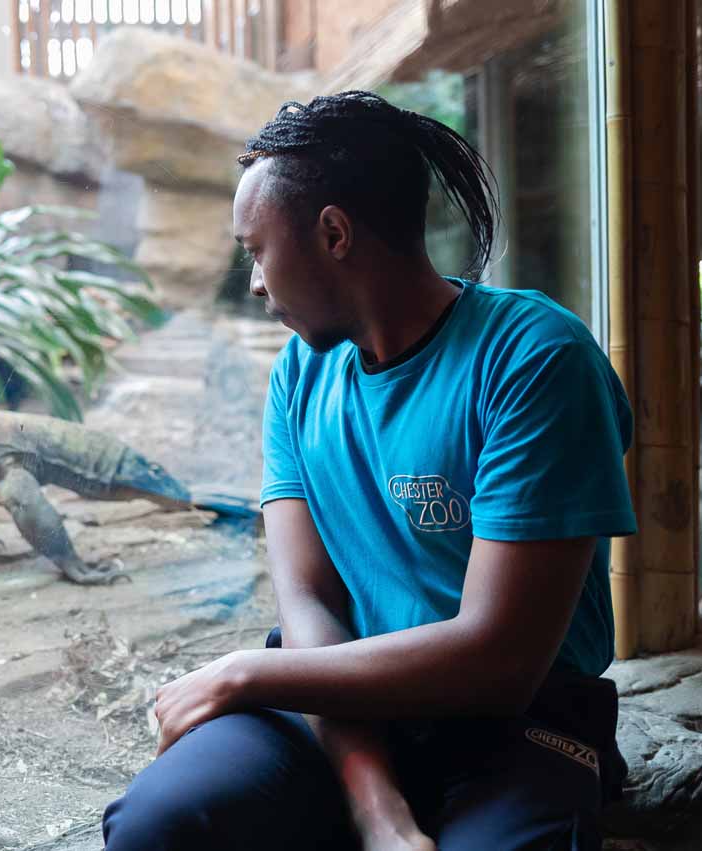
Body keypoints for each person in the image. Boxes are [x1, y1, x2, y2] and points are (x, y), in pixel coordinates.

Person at [101, 91, 635, 850]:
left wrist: (243, 673)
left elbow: (501, 660)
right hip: (335, 708)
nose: (254, 284)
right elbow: (309, 598)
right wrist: (374, 804)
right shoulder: (298, 377)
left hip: (518, 725)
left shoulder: (534, 360)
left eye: (256, 250)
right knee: (155, 825)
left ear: (333, 233)